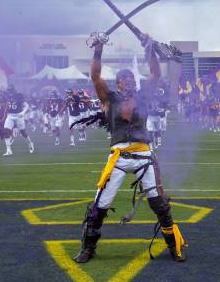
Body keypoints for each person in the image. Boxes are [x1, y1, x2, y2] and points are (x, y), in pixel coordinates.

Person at [73, 33, 186, 263]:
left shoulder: (143, 95)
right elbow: (95, 76)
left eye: (133, 79)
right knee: (100, 205)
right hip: (119, 156)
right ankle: (88, 248)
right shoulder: (109, 99)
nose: (132, 82)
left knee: (159, 204)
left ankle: (174, 246)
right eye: (126, 79)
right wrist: (98, 49)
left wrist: (150, 48)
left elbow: (155, 73)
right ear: (119, 83)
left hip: (144, 154)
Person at [2, 85, 34, 156]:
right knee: (6, 131)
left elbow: (27, 105)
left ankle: (30, 142)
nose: (9, 92)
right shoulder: (7, 96)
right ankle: (9, 150)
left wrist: (23, 113)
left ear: (13, 90)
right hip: (10, 115)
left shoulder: (19, 95)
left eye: (10, 90)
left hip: (18, 115)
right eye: (9, 91)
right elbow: (7, 105)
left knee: (23, 133)